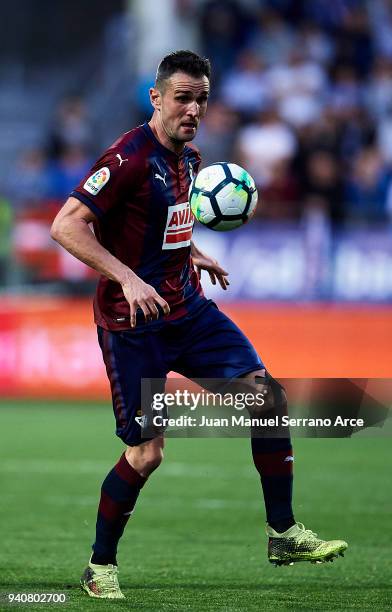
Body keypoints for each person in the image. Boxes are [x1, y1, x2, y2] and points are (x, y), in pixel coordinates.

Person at [51, 50, 347, 600]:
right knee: (148, 453)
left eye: (202, 98)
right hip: (133, 322)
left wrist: (192, 253)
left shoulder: (190, 160)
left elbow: (161, 224)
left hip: (187, 310)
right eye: (183, 97)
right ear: (156, 98)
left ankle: (282, 533)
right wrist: (128, 279)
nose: (193, 108)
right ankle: (100, 566)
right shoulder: (126, 158)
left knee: (267, 398)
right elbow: (66, 225)